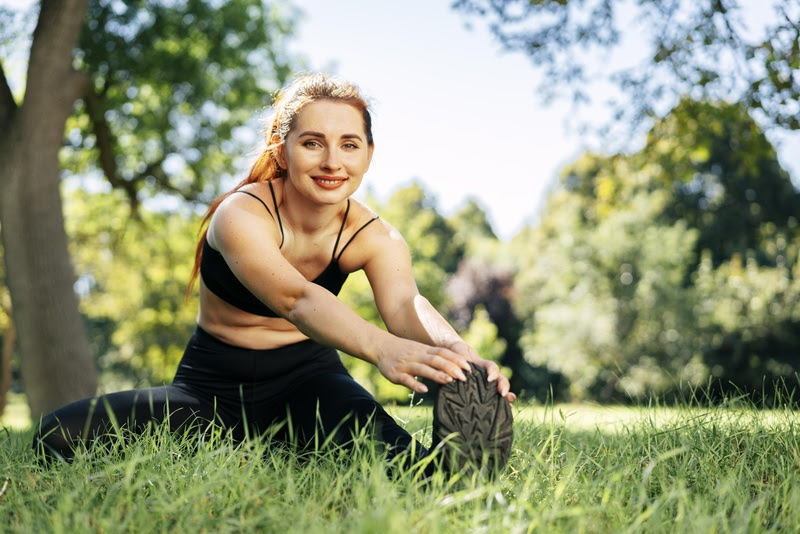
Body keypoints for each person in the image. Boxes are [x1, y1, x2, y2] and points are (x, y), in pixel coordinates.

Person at [33, 73, 515, 476]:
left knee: (402, 470)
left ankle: (437, 464)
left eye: (349, 144)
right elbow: (297, 300)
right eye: (313, 143)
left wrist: (461, 356)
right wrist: (380, 349)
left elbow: (406, 305)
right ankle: (268, 446)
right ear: (282, 152)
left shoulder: (373, 235)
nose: (332, 161)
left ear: (368, 154)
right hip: (208, 392)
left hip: (311, 385)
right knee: (54, 437)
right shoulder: (240, 215)